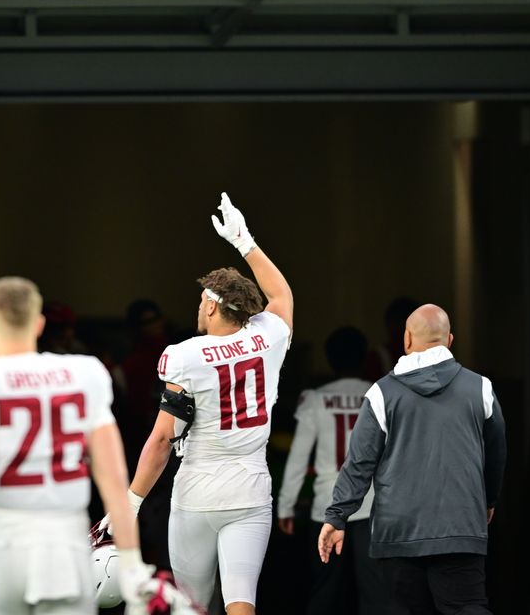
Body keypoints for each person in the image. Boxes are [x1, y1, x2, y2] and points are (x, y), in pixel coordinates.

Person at [107, 193, 293, 615]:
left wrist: (130, 504)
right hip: (250, 487)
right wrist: (244, 242)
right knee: (242, 599)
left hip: (197, 491)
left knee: (190, 606)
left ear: (211, 304)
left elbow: (160, 440)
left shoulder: (185, 355)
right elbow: (281, 294)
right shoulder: (270, 336)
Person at [0, 276, 152, 614]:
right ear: (38, 324)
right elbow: (112, 475)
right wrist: (131, 559)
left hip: (2, 547)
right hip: (65, 550)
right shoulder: (85, 372)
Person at [319, 304, 506, 615]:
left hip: (398, 530)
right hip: (459, 526)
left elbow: (360, 462)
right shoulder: (481, 389)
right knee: (467, 607)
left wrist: (338, 516)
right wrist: (488, 499)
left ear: (406, 339)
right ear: (450, 340)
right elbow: (496, 453)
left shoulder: (382, 393)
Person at [277, 326, 382, 615]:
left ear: (329, 359)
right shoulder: (380, 396)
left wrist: (285, 506)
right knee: (377, 594)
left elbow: (298, 457)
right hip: (372, 506)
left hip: (327, 505)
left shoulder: (315, 399)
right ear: (363, 358)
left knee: (325, 592)